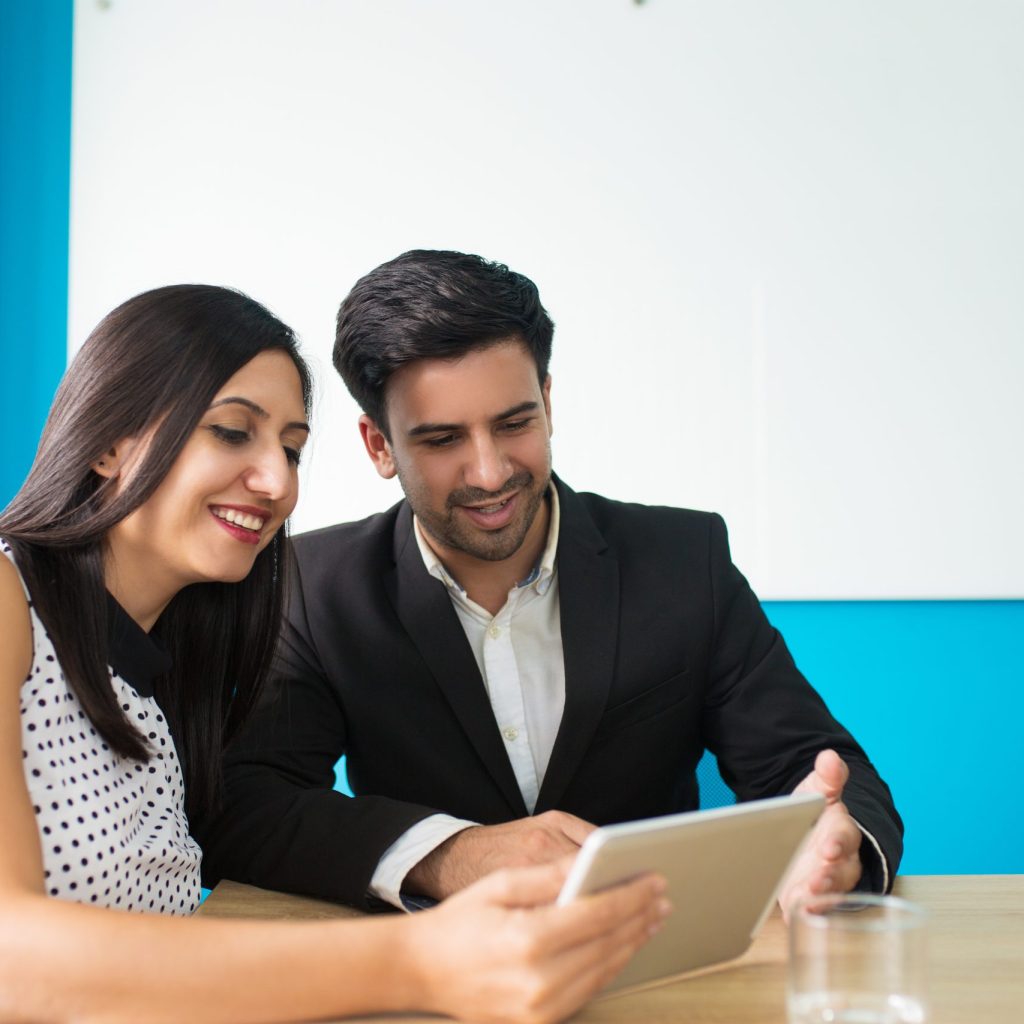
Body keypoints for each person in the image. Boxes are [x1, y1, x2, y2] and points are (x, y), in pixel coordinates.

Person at [0, 284, 668, 1024]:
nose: (278, 482)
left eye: (291, 448)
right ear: (107, 441)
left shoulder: (162, 674)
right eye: (231, 432)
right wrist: (423, 960)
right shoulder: (5, 600)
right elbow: (13, 959)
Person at [196, 251, 903, 919]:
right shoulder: (314, 589)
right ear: (379, 445)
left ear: (549, 402)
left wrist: (837, 851)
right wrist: (450, 854)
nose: (489, 472)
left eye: (514, 424)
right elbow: (251, 806)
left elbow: (812, 768)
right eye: (443, 440)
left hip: (659, 967)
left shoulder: (686, 562)